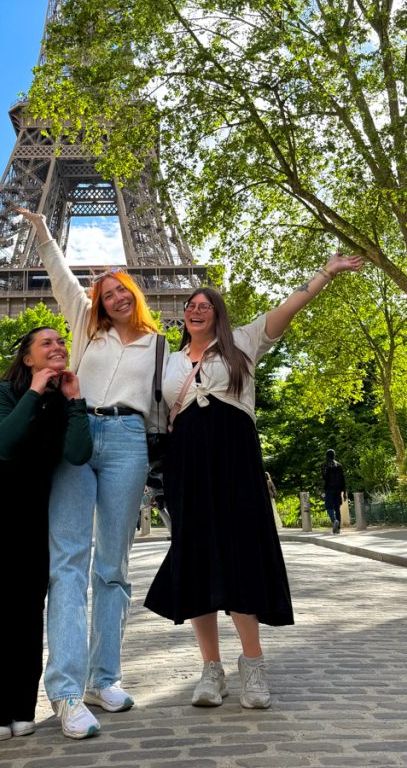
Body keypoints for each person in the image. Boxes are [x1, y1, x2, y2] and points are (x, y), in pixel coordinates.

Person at [145, 253, 364, 710]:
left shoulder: (243, 342)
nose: (196, 308)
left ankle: (254, 666)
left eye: (206, 304)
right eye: (190, 304)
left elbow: (291, 306)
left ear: (218, 314)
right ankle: (211, 670)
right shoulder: (167, 359)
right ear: (183, 315)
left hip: (235, 462)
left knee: (241, 555)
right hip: (188, 464)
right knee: (196, 559)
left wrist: (325, 271)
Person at [16, 208, 168, 740]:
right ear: (99, 302)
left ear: (135, 294)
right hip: (77, 435)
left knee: (113, 567)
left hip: (129, 440)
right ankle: (64, 691)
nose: (116, 299)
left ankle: (105, 678)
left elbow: (180, 393)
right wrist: (40, 230)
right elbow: (61, 279)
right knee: (69, 564)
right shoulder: (84, 328)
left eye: (123, 291)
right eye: (107, 294)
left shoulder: (159, 345)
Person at [0, 327, 93, 742]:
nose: (58, 347)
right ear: (28, 359)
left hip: (29, 514)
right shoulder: (4, 393)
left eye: (62, 342)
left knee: (28, 607)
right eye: (47, 343)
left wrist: (76, 399)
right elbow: (1, 448)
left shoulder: (64, 402)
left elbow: (80, 453)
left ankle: (19, 706)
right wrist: (33, 391)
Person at [322, 449, 347, 535]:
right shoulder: (339, 465)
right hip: (338, 490)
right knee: (337, 508)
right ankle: (338, 529)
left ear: (327, 456)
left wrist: (322, 490)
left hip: (329, 489)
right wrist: (345, 492)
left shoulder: (325, 465)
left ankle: (334, 520)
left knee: (329, 507)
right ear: (334, 455)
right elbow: (343, 479)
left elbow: (324, 478)